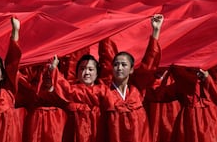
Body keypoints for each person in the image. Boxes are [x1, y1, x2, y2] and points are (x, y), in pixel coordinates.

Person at [48, 14, 164, 142]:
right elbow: (71, 91)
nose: (119, 68)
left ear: (131, 69)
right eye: (116, 64)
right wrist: (54, 70)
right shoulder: (103, 92)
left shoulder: (137, 88)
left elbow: (149, 65)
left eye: (124, 65)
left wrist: (156, 31)